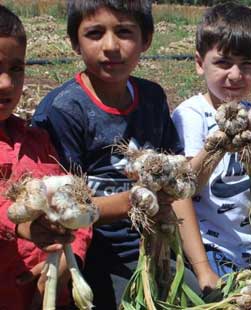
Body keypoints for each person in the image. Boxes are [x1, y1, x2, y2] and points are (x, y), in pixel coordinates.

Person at [31, 1, 217, 308]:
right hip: (97, 260)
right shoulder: (63, 111)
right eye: (94, 33)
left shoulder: (153, 98)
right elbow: (60, 211)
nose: (111, 46)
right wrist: (134, 200)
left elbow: (176, 190)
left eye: (124, 32)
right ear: (75, 42)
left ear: (147, 39)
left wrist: (202, 268)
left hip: (156, 248)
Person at [171, 2, 251, 276]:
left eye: (247, 65)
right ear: (200, 64)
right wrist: (217, 145)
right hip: (212, 246)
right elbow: (187, 186)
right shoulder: (191, 114)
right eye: (223, 63)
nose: (235, 75)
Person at [0, 5, 92, 309]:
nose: (6, 84)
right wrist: (22, 225)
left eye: (16, 68)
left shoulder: (37, 140)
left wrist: (68, 262)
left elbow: (75, 202)